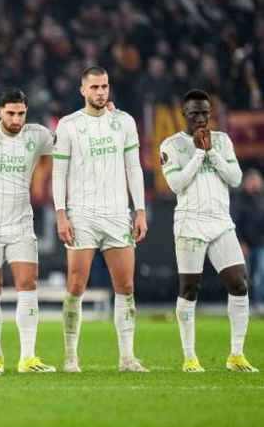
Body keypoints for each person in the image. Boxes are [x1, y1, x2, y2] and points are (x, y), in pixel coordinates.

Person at [52, 66, 148, 373]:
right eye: (94, 87)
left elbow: (134, 167)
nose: (100, 92)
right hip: (82, 215)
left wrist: (140, 210)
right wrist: (61, 214)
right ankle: (70, 356)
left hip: (118, 214)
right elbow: (59, 173)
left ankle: (127, 357)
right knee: (75, 285)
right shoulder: (68, 125)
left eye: (104, 86)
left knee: (126, 286)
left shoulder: (123, 122)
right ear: (83, 90)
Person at [161, 89, 257, 372]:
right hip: (190, 221)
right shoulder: (171, 145)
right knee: (190, 288)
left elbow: (236, 178)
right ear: (184, 114)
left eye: (205, 113)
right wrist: (198, 154)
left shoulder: (223, 141)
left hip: (220, 221)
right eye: (195, 113)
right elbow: (176, 184)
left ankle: (236, 355)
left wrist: (211, 152)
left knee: (239, 283)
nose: (201, 118)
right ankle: (190, 358)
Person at [0, 87, 56, 373]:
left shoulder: (37, 135)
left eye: (21, 113)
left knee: (28, 284)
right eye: (10, 113)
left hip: (21, 224)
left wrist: (102, 116)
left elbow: (69, 142)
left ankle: (27, 358)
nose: (16, 119)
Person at [233, 169, 264, 312]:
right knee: (245, 275)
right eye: (252, 181)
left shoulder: (261, 200)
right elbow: (235, 223)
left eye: (257, 181)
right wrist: (240, 242)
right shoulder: (240, 200)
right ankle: (244, 303)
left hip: (260, 243)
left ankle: (258, 302)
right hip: (245, 244)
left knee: (261, 272)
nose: (255, 184)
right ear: (246, 183)